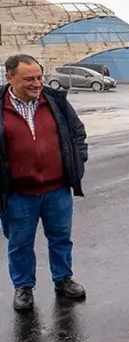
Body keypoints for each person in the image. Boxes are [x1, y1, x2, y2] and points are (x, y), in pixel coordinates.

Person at [0, 54, 88, 311]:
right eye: (29, 79)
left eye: (39, 77)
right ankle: (24, 287)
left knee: (61, 238)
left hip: (57, 189)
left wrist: (77, 161)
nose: (37, 83)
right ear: (10, 77)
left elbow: (77, 132)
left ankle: (63, 280)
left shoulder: (55, 101)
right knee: (20, 243)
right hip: (18, 194)